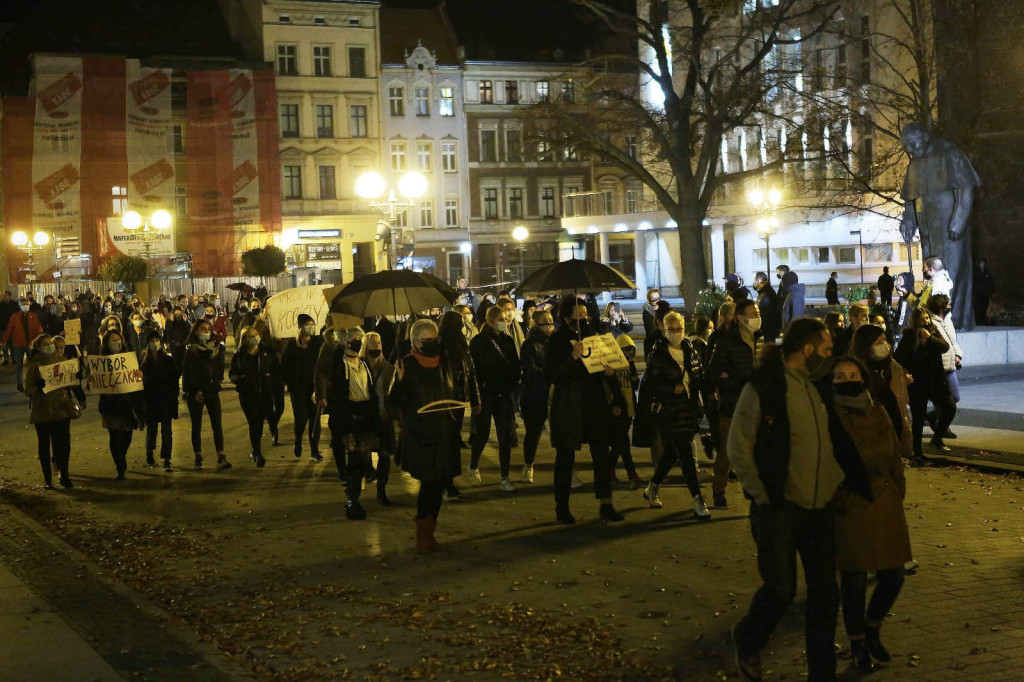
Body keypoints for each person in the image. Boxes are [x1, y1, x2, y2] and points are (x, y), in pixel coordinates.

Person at [728, 318, 844, 682]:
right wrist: (761, 493)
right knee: (780, 589)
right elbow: (739, 444)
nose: (830, 358)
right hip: (779, 507)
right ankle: (748, 638)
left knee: (826, 595)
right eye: (826, 350)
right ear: (807, 350)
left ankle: (822, 673)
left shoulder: (815, 387)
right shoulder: (766, 386)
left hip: (820, 509)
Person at [830, 357, 912, 671]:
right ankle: (858, 644)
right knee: (853, 581)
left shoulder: (877, 411)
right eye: (840, 375)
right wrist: (840, 497)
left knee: (894, 575)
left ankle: (873, 626)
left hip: (885, 502)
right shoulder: (831, 416)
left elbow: (893, 451)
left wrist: (897, 486)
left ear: (863, 378)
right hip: (852, 503)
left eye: (853, 374)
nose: (848, 379)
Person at [546, 296, 624, 524]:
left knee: (601, 455)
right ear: (566, 317)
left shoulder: (594, 336)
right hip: (569, 405)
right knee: (565, 457)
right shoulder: (558, 340)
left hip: (594, 403)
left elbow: (602, 366)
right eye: (577, 316)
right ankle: (562, 507)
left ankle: (606, 504)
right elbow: (552, 374)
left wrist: (611, 380)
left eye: (585, 315)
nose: (582, 320)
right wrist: (572, 357)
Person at [899, 122, 981, 330]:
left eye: (911, 143)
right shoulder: (914, 165)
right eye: (906, 146)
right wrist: (909, 219)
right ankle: (935, 320)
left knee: (952, 274)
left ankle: (956, 321)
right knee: (931, 277)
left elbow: (966, 187)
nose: (909, 149)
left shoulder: (949, 153)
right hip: (928, 230)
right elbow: (910, 199)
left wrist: (959, 220)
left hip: (949, 227)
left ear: (924, 137)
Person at [388, 319, 460, 553]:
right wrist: (398, 383)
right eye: (426, 340)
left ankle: (430, 532)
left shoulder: (444, 360)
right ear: (415, 341)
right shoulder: (405, 364)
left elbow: (453, 387)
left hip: (443, 431)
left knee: (439, 483)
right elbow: (393, 404)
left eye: (434, 339)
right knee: (429, 482)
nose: (431, 344)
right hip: (420, 434)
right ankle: (423, 534)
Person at [640, 312, 710, 518]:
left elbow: (698, 376)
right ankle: (698, 499)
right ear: (664, 329)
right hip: (670, 410)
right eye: (672, 329)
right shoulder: (659, 353)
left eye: (679, 328)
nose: (677, 333)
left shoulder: (690, 350)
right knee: (686, 455)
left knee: (672, 452)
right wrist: (670, 388)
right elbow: (650, 384)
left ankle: (652, 486)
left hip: (689, 409)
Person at [316, 328, 379, 519]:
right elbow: (323, 372)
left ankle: (355, 494)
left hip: (365, 415)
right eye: (353, 339)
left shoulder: (363, 364)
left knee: (363, 458)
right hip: (347, 415)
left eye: (359, 339)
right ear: (344, 342)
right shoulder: (339, 363)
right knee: (353, 459)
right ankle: (352, 499)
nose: (357, 342)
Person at [706, 299, 763, 509]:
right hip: (733, 404)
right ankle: (718, 491)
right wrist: (732, 380)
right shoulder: (726, 341)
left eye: (758, 312)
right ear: (740, 317)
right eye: (753, 313)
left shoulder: (759, 338)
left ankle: (756, 491)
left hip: (756, 404)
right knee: (727, 452)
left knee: (758, 450)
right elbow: (712, 373)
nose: (757, 317)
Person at [467, 305, 521, 489]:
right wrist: (478, 393)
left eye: (506, 319)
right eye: (501, 320)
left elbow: (515, 364)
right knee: (482, 434)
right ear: (490, 321)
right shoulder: (478, 342)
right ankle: (473, 465)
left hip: (504, 393)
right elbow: (474, 370)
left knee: (504, 436)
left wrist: (512, 382)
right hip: (486, 394)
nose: (504, 323)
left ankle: (504, 477)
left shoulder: (508, 340)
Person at [894, 308, 954, 461]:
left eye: (927, 318)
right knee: (918, 418)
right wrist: (906, 373)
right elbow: (899, 358)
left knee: (949, 406)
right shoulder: (909, 337)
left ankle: (937, 437)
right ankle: (917, 452)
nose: (926, 321)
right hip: (918, 382)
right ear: (915, 321)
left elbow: (945, 347)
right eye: (922, 319)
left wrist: (931, 337)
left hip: (935, 380)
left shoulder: (933, 331)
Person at [25, 333, 84, 489]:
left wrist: (76, 377)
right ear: (37, 347)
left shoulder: (61, 361)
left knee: (63, 445)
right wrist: (38, 388)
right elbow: (28, 390)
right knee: (44, 446)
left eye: (50, 343)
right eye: (45, 344)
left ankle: (64, 476)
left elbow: (71, 384)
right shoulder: (34, 366)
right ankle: (48, 480)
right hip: (42, 413)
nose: (50, 346)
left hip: (61, 410)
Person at [437, 312, 480, 499]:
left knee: (453, 440)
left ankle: (449, 480)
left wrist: (476, 399)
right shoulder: (439, 348)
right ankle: (445, 482)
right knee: (446, 441)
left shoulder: (463, 346)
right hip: (443, 400)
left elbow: (471, 373)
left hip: (458, 399)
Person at [182, 320, 231, 472]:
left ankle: (221, 455)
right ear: (195, 331)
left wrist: (216, 384)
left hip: (212, 391)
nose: (206, 331)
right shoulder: (191, 351)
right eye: (202, 329)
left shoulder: (215, 350)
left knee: (217, 425)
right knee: (196, 426)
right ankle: (198, 457)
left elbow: (218, 370)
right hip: (196, 393)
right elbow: (188, 373)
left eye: (208, 329)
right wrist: (195, 390)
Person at [98, 330, 144, 480]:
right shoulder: (100, 361)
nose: (116, 342)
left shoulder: (128, 358)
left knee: (126, 435)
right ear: (106, 343)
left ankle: (121, 455)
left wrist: (139, 375)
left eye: (118, 339)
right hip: (110, 405)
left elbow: (135, 376)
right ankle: (120, 465)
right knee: (115, 435)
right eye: (113, 340)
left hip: (127, 404)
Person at [230, 326, 279, 468]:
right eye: (250, 335)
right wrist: (241, 379)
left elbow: (275, 370)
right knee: (254, 422)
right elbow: (233, 374)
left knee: (259, 423)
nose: (254, 337)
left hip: (264, 393)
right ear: (244, 339)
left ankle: (255, 449)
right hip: (248, 395)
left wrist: (270, 379)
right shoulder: (239, 356)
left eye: (256, 334)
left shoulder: (267, 353)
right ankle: (257, 453)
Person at [281, 314, 323, 461]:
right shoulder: (292, 346)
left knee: (315, 419)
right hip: (298, 389)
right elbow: (284, 367)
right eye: (308, 324)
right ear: (301, 327)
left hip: (314, 388)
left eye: (313, 324)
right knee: (301, 419)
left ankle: (315, 450)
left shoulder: (318, 342)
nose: (311, 327)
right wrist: (291, 383)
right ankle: (298, 442)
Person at [362, 331, 398, 504]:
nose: (377, 346)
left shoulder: (389, 368)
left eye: (379, 342)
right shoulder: (359, 366)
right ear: (365, 345)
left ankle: (381, 490)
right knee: (363, 453)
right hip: (365, 418)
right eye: (373, 342)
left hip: (384, 418)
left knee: (384, 455)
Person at [520, 309, 553, 483]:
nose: (549, 326)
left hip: (553, 393)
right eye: (545, 323)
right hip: (535, 395)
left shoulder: (554, 342)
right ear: (536, 324)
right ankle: (528, 464)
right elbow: (530, 370)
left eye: (551, 321)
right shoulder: (530, 344)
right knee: (533, 432)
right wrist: (549, 375)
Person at [139, 330, 180, 471]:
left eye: (156, 340)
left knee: (167, 430)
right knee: (152, 429)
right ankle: (149, 453)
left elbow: (174, 379)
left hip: (166, 400)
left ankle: (167, 458)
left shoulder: (168, 360)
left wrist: (174, 396)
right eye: (151, 341)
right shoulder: (144, 362)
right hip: (151, 400)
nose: (154, 343)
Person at [925, 295, 962, 440]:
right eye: (947, 304)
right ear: (940, 308)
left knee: (955, 397)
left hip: (950, 365)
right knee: (947, 401)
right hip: (941, 368)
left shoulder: (946, 320)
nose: (950, 305)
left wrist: (958, 354)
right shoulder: (933, 323)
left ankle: (932, 417)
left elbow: (952, 341)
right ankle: (942, 428)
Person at [609, 333, 643, 489]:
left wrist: (633, 371)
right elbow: (609, 387)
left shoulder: (630, 364)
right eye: (624, 350)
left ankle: (608, 471)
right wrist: (612, 405)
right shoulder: (611, 365)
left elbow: (634, 385)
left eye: (630, 350)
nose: (627, 353)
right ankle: (632, 475)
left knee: (618, 443)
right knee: (623, 443)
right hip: (618, 409)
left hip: (629, 408)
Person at [3, 297, 44, 392]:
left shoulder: (34, 316)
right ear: (19, 306)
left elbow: (39, 329)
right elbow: (9, 329)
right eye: (23, 304)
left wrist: (40, 338)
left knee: (33, 364)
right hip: (18, 344)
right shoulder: (14, 317)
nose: (25, 306)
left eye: (27, 304)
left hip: (31, 343)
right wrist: (4, 340)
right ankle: (20, 383)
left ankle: (33, 381)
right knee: (19, 364)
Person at [752, 272, 780, 342]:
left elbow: (767, 314)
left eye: (754, 280)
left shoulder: (765, 294)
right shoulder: (768, 291)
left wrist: (761, 329)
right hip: (770, 328)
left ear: (758, 281)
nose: (754, 282)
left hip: (769, 329)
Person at [973, 258, 995, 326]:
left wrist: (993, 291)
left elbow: (991, 282)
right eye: (981, 263)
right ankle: (978, 320)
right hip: (978, 293)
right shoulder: (976, 272)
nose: (982, 265)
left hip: (985, 293)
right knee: (978, 307)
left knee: (985, 306)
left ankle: (984, 319)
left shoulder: (987, 272)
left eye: (983, 263)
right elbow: (974, 282)